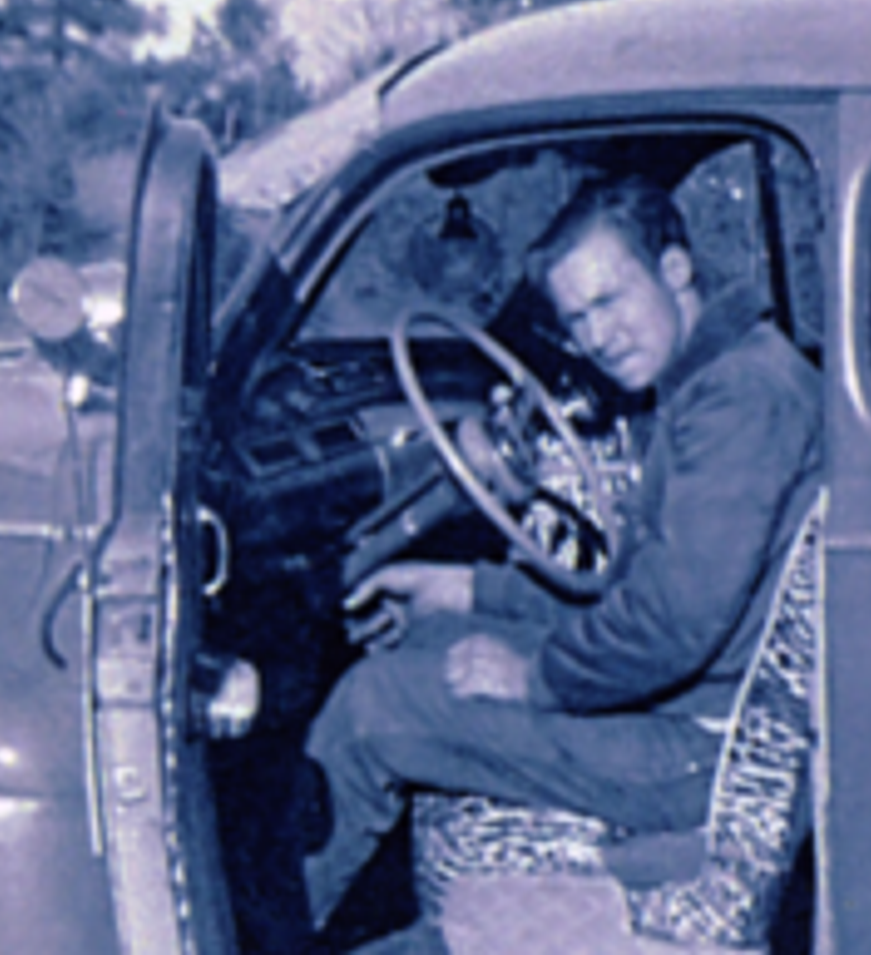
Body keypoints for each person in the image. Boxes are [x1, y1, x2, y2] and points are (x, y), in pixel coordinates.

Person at [301, 173, 823, 936]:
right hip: (689, 709)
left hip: (697, 750)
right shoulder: (717, 376)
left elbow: (670, 623)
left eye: (610, 300)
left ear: (675, 268)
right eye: (578, 318)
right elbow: (632, 588)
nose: (598, 338)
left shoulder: (739, 399)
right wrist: (466, 591)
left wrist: (535, 678)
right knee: (426, 636)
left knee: (369, 710)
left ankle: (258, 933)